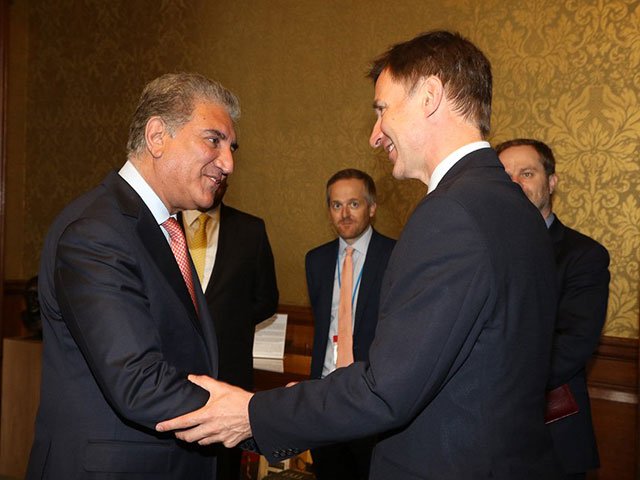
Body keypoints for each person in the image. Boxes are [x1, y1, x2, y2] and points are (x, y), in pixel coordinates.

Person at [156, 31, 564, 479]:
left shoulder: (451, 213)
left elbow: (386, 390)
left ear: (430, 96)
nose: (374, 136)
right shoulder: (514, 207)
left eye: (382, 110)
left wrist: (251, 412)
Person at [26, 72, 239, 479]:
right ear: (157, 135)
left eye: (232, 147)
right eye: (213, 140)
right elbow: (138, 382)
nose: (228, 162)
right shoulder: (96, 232)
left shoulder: (162, 228)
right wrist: (253, 418)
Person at [496, 138, 610, 480]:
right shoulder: (479, 250)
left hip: (550, 437)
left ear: (552, 182)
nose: (514, 183)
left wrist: (494, 382)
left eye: (527, 173)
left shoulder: (583, 255)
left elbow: (572, 345)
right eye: (505, 175)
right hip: (485, 439)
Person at [180, 176, 279, 479]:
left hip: (229, 379)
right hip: (170, 379)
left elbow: (266, 299)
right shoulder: (161, 227)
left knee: (223, 470)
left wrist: (227, 322)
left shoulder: (250, 230)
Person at [306, 168, 395, 479]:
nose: (344, 214)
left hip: (372, 393)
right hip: (325, 393)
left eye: (354, 204)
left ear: (371, 207)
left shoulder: (396, 256)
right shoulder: (315, 260)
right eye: (336, 205)